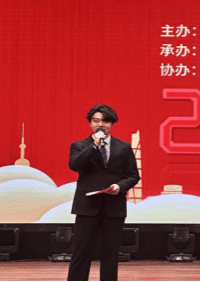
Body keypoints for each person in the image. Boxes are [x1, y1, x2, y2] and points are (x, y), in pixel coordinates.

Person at [67, 104, 140, 282]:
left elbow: (133, 175)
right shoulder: (79, 146)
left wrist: (119, 186)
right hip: (87, 207)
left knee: (110, 254)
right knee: (81, 253)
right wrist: (94, 145)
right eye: (96, 121)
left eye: (105, 121)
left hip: (113, 207)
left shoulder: (123, 147)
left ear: (112, 124)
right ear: (90, 123)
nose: (101, 125)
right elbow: (75, 165)